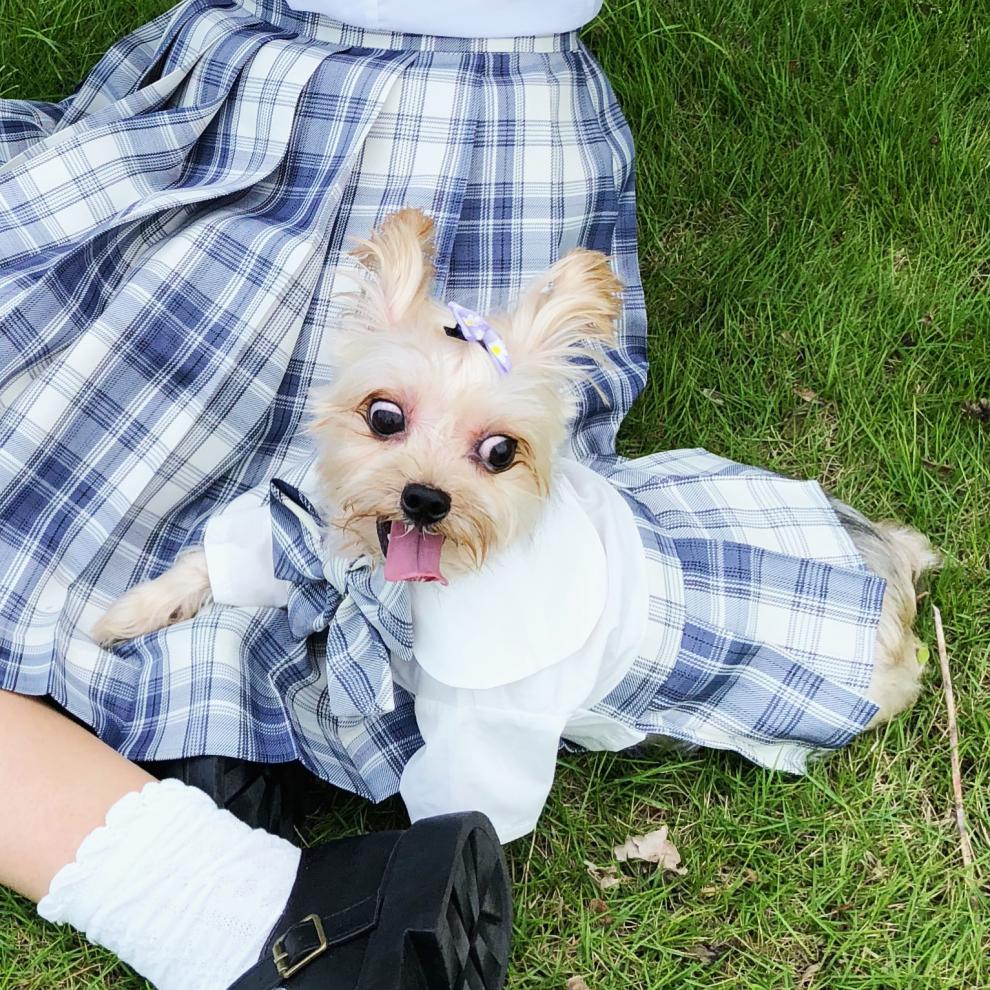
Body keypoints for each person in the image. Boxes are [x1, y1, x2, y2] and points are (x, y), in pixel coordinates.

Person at [0, 0, 644, 985]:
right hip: (274, 88)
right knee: (294, 508)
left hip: (401, 107)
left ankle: (225, 832)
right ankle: (228, 763)